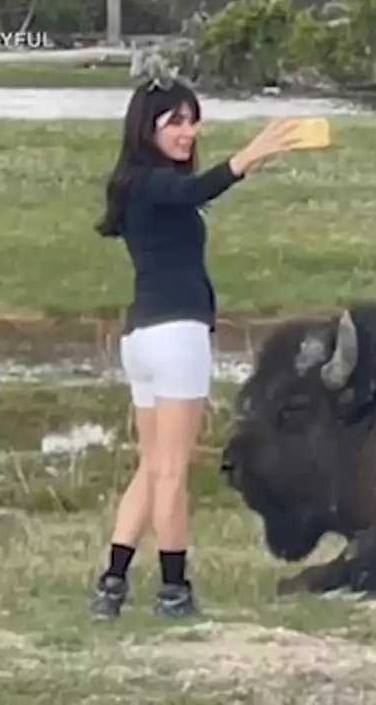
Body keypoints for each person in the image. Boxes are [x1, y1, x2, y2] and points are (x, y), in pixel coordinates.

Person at [87, 76, 302, 620]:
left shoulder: (136, 184)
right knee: (172, 472)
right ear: (148, 128)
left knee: (152, 466)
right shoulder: (153, 183)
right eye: (175, 122)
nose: (189, 131)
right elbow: (195, 190)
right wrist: (250, 155)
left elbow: (187, 193)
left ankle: (112, 582)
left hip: (142, 340)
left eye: (192, 120)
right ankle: (174, 590)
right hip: (175, 337)